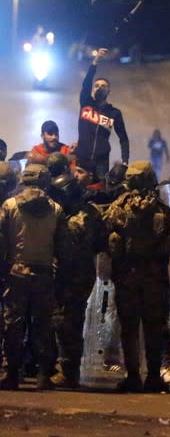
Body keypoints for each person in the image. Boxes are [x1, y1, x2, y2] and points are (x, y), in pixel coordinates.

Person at [104, 161, 170, 392]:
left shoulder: (118, 207)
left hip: (126, 276)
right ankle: (154, 377)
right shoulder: (161, 209)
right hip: (154, 277)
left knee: (128, 328)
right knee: (154, 328)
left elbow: (105, 235)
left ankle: (133, 376)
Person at [0, 164, 67, 390]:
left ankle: (11, 374)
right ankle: (42, 376)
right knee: (43, 326)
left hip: (16, 272)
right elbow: (61, 245)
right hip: (45, 273)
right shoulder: (56, 209)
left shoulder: (9, 206)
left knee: (14, 325)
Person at [48, 173, 107, 388]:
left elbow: (64, 252)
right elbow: (102, 244)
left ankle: (68, 372)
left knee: (66, 324)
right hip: (83, 275)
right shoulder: (91, 213)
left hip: (70, 276)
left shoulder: (73, 221)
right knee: (72, 321)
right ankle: (69, 370)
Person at [75, 48, 129, 178]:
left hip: (102, 161)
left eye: (103, 86)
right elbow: (86, 83)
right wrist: (95, 61)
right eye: (97, 85)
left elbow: (123, 138)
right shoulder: (85, 103)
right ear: (92, 90)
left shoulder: (114, 113)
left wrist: (125, 161)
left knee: (100, 192)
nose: (100, 87)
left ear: (109, 91)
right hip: (82, 158)